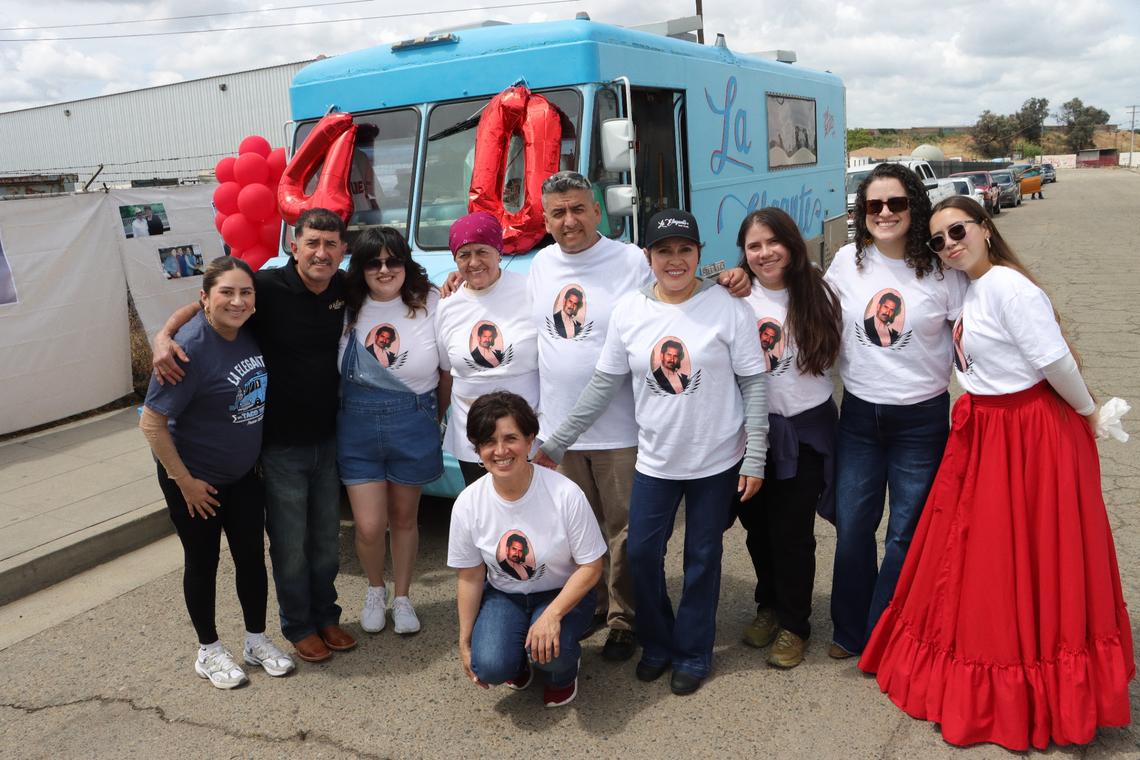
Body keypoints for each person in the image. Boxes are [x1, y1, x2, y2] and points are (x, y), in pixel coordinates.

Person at [860, 196, 1134, 750]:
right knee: (984, 557)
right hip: (988, 431)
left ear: (985, 229)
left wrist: (1087, 413)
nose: (949, 244)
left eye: (956, 231)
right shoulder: (974, 285)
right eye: (937, 240)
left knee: (1019, 557)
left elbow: (1053, 360)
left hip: (1026, 435)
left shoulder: (1009, 287)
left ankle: (1029, 686)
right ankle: (988, 670)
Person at [536, 209, 769, 696]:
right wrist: (556, 441)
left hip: (716, 461)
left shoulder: (728, 307)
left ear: (700, 255)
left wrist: (755, 456)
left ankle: (692, 652)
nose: (675, 260)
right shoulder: (630, 312)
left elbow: (754, 383)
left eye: (685, 250)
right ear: (649, 257)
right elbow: (603, 386)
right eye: (664, 251)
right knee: (642, 554)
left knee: (702, 559)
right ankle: (659, 643)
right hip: (656, 461)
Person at [152, 208, 357, 664]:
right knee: (289, 545)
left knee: (326, 542)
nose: (321, 252)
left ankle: (326, 614)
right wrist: (164, 335)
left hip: (328, 439)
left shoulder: (344, 286)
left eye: (330, 244)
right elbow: (207, 300)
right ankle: (299, 625)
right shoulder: (263, 287)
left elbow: (398, 282)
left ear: (342, 250)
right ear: (293, 245)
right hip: (279, 445)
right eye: (312, 243)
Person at [823, 162, 968, 660]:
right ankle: (849, 630)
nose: (885, 213)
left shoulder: (942, 267)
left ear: (914, 206)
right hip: (860, 417)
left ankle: (888, 633)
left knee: (905, 534)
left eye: (897, 203)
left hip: (921, 421)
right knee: (853, 528)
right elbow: (804, 310)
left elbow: (981, 333)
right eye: (874, 205)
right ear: (862, 212)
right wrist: (740, 283)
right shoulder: (847, 260)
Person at [139, 257, 294, 689]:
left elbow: (198, 306)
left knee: (250, 558)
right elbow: (151, 423)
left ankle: (256, 641)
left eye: (246, 293)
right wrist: (184, 482)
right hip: (195, 480)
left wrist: (163, 329)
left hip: (242, 473)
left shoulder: (247, 332)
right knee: (203, 561)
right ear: (205, 298)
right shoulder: (187, 351)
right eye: (227, 292)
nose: (238, 300)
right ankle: (208, 650)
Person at [448, 392, 606, 708]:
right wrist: (465, 642)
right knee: (490, 665)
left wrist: (553, 614)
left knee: (551, 652)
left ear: (531, 439)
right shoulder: (468, 502)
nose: (501, 451)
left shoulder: (564, 493)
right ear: (477, 448)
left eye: (511, 438)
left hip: (561, 592)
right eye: (489, 442)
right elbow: (470, 575)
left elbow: (591, 565)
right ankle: (515, 661)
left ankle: (563, 672)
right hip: (505, 594)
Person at [734, 208, 841, 670]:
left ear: (792, 244)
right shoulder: (734, 298)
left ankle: (796, 624)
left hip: (806, 429)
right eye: (753, 246)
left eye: (772, 242)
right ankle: (769, 604)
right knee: (756, 529)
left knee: (793, 533)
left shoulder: (820, 292)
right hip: (751, 434)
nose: (763, 253)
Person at [337, 226, 450, 637]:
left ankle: (402, 597)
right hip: (357, 424)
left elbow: (445, 373)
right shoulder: (344, 305)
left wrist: (436, 418)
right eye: (374, 263)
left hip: (413, 418)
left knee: (405, 518)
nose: (385, 270)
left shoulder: (432, 300)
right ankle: (374, 589)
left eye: (393, 260)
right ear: (360, 269)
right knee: (368, 525)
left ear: (406, 263)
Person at [436, 212, 539, 486]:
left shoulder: (530, 290)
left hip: (526, 434)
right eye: (464, 254)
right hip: (471, 438)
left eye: (482, 251)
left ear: (499, 251)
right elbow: (446, 372)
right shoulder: (446, 304)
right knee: (484, 515)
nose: (473, 262)